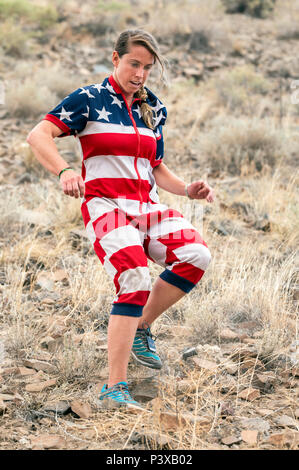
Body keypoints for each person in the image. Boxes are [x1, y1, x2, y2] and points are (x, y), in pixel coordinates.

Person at [27, 29, 215, 410]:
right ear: (115, 59)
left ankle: (142, 325)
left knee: (196, 255)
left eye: (147, 67)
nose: (140, 73)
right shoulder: (89, 100)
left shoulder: (154, 107)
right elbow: (38, 135)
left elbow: (156, 166)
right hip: (105, 206)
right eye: (134, 63)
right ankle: (114, 387)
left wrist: (187, 189)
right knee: (134, 276)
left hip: (148, 206)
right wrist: (65, 171)